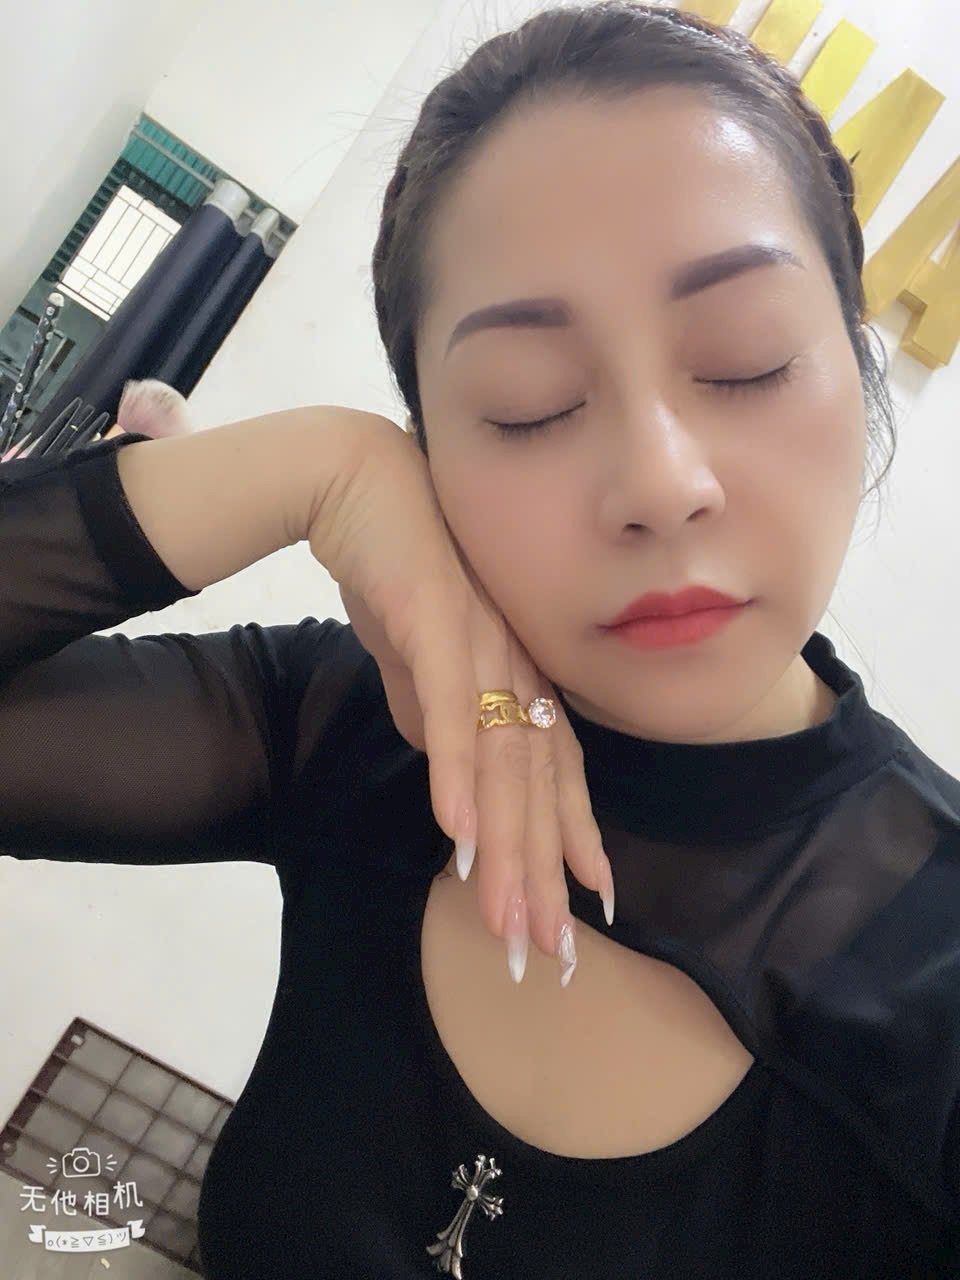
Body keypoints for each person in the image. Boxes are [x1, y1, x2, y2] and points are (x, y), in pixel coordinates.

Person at [0, 3, 957, 1276]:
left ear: (853, 366)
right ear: (430, 455)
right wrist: (318, 469)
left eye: (746, 359)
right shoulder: (353, 720)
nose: (659, 482)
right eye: (526, 405)